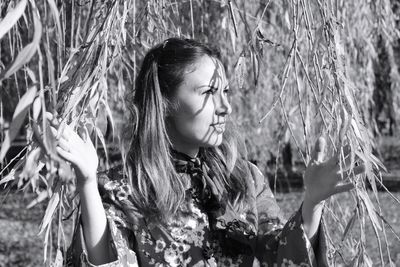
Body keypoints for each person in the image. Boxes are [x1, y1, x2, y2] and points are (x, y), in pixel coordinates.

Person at [50, 38, 365, 266]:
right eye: (208, 93)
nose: (225, 107)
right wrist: (88, 183)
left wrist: (312, 203)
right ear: (165, 103)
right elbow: (106, 260)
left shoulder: (245, 179)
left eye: (225, 92)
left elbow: (278, 257)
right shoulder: (125, 190)